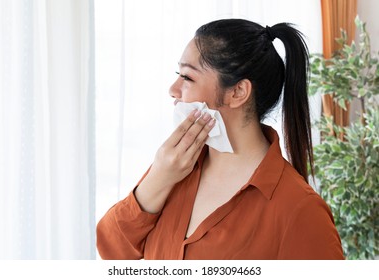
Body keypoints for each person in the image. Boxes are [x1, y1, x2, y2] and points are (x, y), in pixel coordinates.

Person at [96, 19, 344, 260]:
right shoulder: (174, 169)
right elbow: (112, 251)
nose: (173, 89)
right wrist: (157, 178)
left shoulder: (300, 211)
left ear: (238, 92)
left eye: (187, 77)